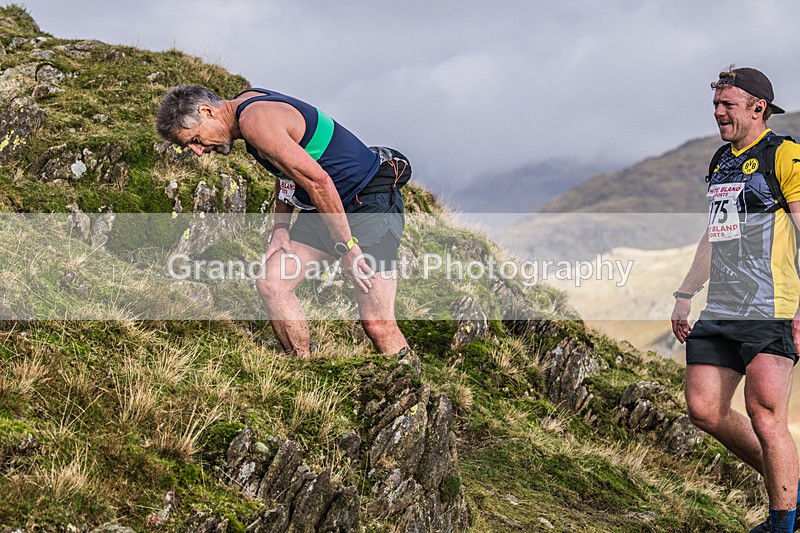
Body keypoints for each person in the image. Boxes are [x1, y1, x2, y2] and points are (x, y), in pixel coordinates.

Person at [156, 85, 411, 357]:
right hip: (327, 206)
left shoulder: (254, 120)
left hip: (368, 200)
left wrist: (347, 248)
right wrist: (280, 227)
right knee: (272, 283)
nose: (197, 151)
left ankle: (413, 383)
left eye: (195, 138)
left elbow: (319, 181)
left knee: (377, 323)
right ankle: (301, 364)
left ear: (207, 111)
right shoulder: (248, 104)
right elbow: (286, 169)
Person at [671, 66, 800, 532]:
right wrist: (686, 293)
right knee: (704, 409)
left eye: (728, 104)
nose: (717, 111)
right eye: (716, 104)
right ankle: (791, 485)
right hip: (720, 308)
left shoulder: (784, 155)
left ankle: (782, 521)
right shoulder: (720, 161)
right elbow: (714, 235)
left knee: (766, 416)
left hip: (771, 308)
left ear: (758, 108)